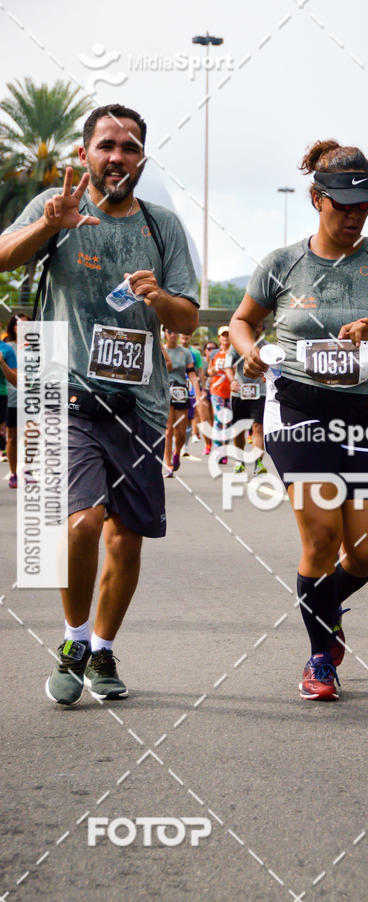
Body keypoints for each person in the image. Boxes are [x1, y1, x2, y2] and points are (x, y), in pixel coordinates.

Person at [230, 139, 368, 701]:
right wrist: (249, 347)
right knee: (322, 536)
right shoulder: (281, 264)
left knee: (366, 554)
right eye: (344, 204)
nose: (355, 215)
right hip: (300, 410)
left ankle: (327, 608)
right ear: (317, 199)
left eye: (364, 206)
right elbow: (241, 321)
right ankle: (320, 656)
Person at [0, 103, 198, 705]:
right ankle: (74, 638)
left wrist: (159, 297)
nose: (118, 156)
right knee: (83, 520)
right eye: (107, 145)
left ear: (141, 157)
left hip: (138, 404)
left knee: (125, 538)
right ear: (86, 153)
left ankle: (104, 649)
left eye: (130, 146)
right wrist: (49, 227)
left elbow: (187, 314)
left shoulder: (162, 227)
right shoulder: (56, 207)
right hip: (65, 393)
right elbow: (4, 256)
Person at [227, 323, 268, 476]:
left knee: (258, 427)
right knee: (239, 428)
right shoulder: (237, 345)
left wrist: (268, 376)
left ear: (262, 329)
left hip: (260, 393)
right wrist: (232, 380)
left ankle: (258, 462)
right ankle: (240, 460)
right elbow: (227, 365)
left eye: (259, 326)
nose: (256, 329)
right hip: (240, 393)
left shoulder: (266, 346)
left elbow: (275, 367)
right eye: (254, 326)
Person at [163, 329, 200, 475]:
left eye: (175, 332)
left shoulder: (185, 352)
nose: (173, 334)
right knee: (168, 430)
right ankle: (168, 464)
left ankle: (177, 451)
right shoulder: (161, 350)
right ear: (165, 333)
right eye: (169, 331)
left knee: (181, 432)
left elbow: (191, 373)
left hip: (180, 392)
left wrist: (198, 392)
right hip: (165, 391)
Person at [208, 325, 233, 460]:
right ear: (219, 338)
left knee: (228, 421)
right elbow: (210, 370)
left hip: (230, 392)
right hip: (216, 390)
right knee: (219, 419)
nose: (225, 338)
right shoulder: (215, 354)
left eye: (228, 335)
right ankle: (218, 450)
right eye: (223, 335)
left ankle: (225, 448)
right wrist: (211, 372)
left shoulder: (234, 353)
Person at [180, 332, 203, 451]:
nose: (185, 336)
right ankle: (176, 445)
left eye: (187, 333)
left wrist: (201, 390)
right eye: (183, 333)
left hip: (190, 389)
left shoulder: (195, 353)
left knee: (189, 418)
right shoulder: (170, 350)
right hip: (175, 389)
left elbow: (199, 371)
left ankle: (184, 446)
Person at [0, 334, 17, 486]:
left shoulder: (6, 350)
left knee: (12, 436)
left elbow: (16, 380)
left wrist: (2, 363)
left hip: (1, 396)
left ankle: (15, 473)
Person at [199, 340, 217, 455]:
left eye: (213, 349)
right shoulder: (201, 362)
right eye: (208, 349)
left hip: (218, 392)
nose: (211, 351)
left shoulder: (220, 360)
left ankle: (218, 444)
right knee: (204, 419)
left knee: (216, 420)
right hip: (203, 392)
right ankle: (207, 444)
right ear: (205, 350)